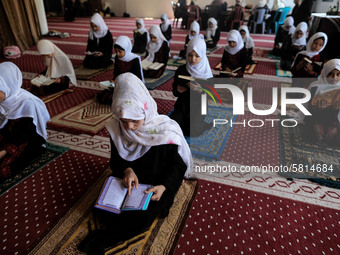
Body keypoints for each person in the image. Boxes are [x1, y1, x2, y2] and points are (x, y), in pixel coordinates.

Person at [78, 72, 192, 254]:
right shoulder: (116, 127)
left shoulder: (166, 130)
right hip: (130, 181)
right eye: (124, 121)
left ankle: (109, 237)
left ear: (145, 111)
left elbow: (178, 166)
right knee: (101, 208)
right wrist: (127, 171)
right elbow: (116, 160)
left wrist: (164, 186)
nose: (130, 127)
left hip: (157, 183)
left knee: (144, 216)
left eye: (135, 120)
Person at [0, 62, 50, 179]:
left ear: (8, 86)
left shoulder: (27, 103)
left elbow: (27, 136)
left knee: (3, 170)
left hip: (26, 141)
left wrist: (3, 152)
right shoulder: (4, 101)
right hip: (8, 135)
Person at [170, 37, 213, 137]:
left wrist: (200, 90)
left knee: (191, 131)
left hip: (198, 107)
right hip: (182, 106)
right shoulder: (181, 70)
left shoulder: (206, 73)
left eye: (197, 56)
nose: (193, 59)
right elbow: (174, 91)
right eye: (190, 55)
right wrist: (178, 90)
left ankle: (202, 125)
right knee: (172, 126)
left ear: (202, 55)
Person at [97, 36, 144, 104]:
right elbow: (116, 72)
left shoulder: (134, 59)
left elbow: (137, 77)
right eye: (116, 51)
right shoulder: (117, 58)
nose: (118, 54)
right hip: (120, 84)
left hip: (131, 86)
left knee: (127, 100)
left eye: (120, 51)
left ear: (126, 49)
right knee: (103, 97)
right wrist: (114, 80)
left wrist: (127, 83)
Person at [304, 59, 340, 144]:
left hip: (334, 120)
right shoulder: (315, 87)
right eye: (330, 74)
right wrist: (318, 109)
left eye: (338, 74)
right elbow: (307, 110)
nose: (334, 78)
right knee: (314, 134)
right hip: (317, 118)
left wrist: (336, 109)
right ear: (325, 73)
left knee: (336, 135)